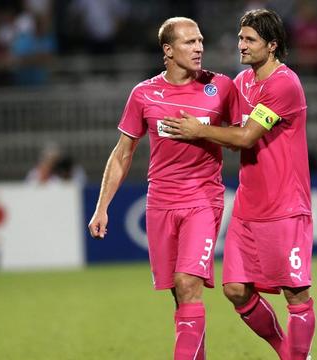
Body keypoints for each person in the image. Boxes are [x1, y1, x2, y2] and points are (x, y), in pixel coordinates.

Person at [163, 9, 315, 359]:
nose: (241, 45)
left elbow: (245, 137)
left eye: (250, 40)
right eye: (240, 38)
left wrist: (199, 130)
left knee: (296, 295)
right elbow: (230, 132)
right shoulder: (242, 83)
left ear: (272, 46)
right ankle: (286, 350)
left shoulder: (284, 84)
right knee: (235, 289)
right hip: (248, 205)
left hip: (284, 206)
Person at [87, 17, 238, 360]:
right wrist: (102, 207)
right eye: (189, 42)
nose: (199, 48)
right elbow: (123, 152)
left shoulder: (221, 87)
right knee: (179, 294)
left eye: (200, 41)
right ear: (168, 51)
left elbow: (241, 138)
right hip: (160, 203)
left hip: (203, 199)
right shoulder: (143, 94)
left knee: (188, 285)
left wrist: (202, 132)